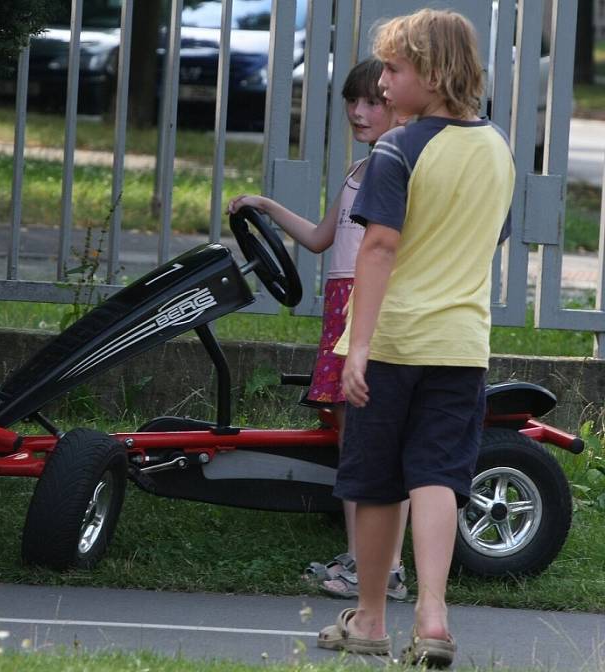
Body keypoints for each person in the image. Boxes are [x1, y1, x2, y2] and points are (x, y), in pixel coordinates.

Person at [315, 9, 516, 668]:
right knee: (436, 476)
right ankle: (432, 615)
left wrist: (361, 346)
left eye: (394, 70)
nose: (383, 84)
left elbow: (378, 245)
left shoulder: (396, 149)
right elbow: (492, 238)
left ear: (431, 73)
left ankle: (371, 618)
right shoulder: (497, 147)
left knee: (376, 483)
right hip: (461, 345)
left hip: (394, 341)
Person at [226, 58, 410, 602]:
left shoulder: (397, 165)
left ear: (399, 102)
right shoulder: (361, 169)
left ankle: (385, 568)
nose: (359, 111)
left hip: (369, 307)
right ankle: (361, 560)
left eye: (373, 101)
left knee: (374, 444)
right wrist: (264, 205)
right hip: (342, 309)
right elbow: (320, 237)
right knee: (355, 443)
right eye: (353, 101)